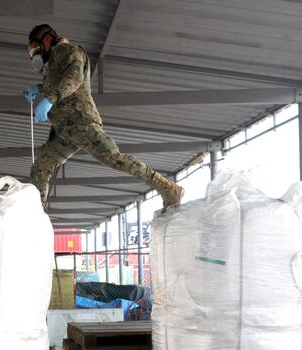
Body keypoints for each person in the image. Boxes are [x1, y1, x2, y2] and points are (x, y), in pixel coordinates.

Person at [23, 24, 184, 211]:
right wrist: (40, 88)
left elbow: (73, 79)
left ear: (47, 40)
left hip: (82, 123)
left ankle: (168, 188)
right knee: (39, 170)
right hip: (64, 131)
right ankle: (36, 219)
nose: (35, 53)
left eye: (35, 47)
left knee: (115, 158)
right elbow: (58, 82)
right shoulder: (53, 64)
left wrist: (49, 98)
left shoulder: (69, 51)